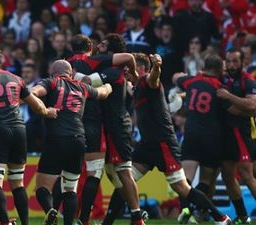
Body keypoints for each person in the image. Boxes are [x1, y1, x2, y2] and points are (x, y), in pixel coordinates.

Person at [106, 53, 232, 225]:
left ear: (141, 68)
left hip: (163, 144)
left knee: (182, 188)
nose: (125, 72)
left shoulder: (149, 82)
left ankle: (221, 218)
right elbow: (129, 84)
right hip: (147, 146)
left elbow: (154, 78)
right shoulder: (135, 86)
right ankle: (110, 222)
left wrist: (157, 66)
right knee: (124, 181)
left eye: (128, 69)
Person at [0, 45, 58, 225]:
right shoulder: (16, 79)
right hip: (19, 130)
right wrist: (47, 112)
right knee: (17, 183)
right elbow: (36, 104)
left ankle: (5, 222)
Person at [67, 34, 142, 225]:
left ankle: (137, 216)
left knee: (122, 172)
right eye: (97, 43)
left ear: (110, 51)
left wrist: (70, 75)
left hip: (118, 127)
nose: (99, 46)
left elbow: (89, 82)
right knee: (111, 175)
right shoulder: (103, 65)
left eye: (103, 44)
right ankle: (111, 218)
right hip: (105, 126)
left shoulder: (114, 71)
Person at [32, 59, 112, 225]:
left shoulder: (51, 82)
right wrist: (109, 86)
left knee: (42, 187)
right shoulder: (81, 87)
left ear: (53, 73)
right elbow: (102, 93)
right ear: (70, 73)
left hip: (56, 139)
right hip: (78, 139)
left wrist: (45, 111)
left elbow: (32, 92)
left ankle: (50, 211)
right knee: (70, 189)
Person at [171, 54, 227, 223]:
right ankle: (193, 211)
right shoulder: (220, 87)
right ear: (218, 70)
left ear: (204, 67)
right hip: (212, 137)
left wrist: (180, 78)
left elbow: (175, 78)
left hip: (192, 134)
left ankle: (185, 210)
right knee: (206, 180)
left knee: (185, 179)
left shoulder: (191, 81)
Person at [217, 48, 256, 224]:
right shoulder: (222, 77)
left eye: (235, 61)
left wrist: (228, 97)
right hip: (224, 133)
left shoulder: (247, 80)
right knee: (227, 175)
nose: (231, 65)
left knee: (247, 176)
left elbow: (252, 106)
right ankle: (242, 215)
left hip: (240, 132)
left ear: (242, 63)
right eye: (229, 61)